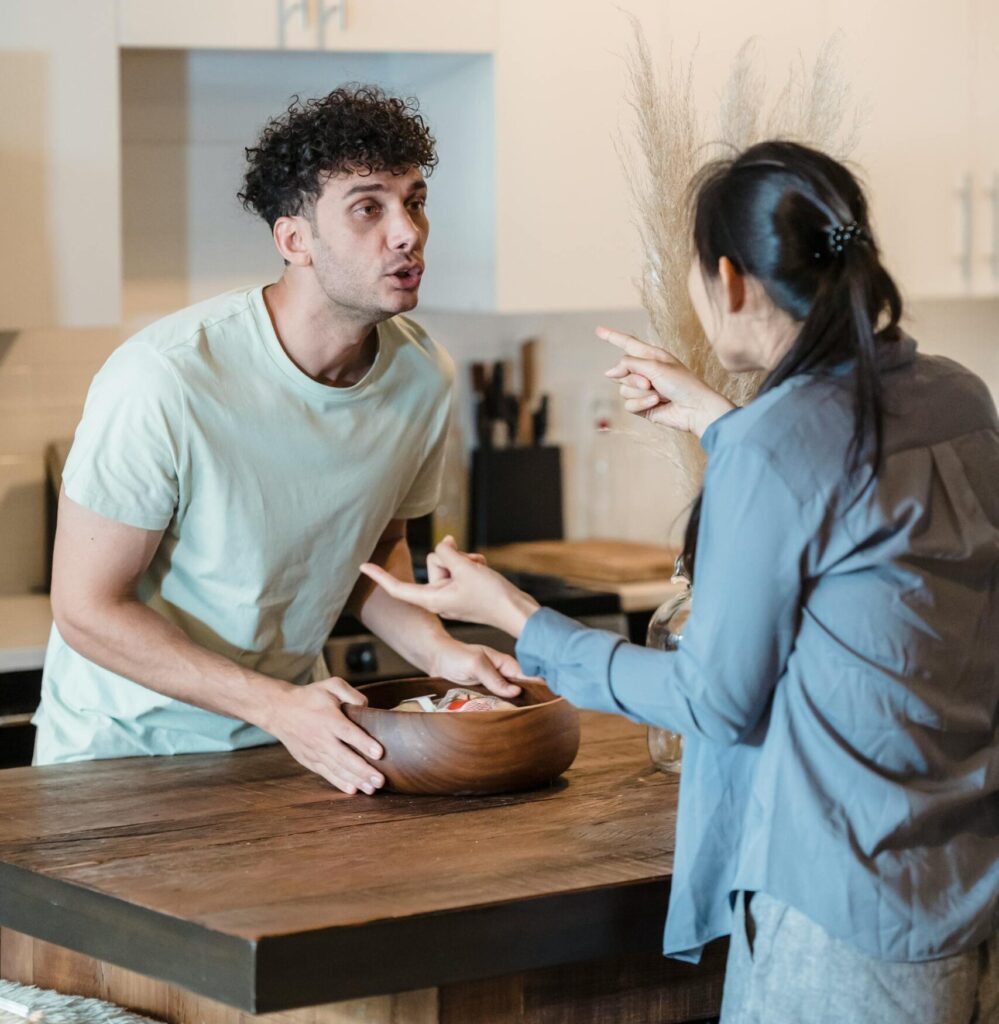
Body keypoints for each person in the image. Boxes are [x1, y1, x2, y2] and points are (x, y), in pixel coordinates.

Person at [360, 141, 999, 1022]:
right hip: (960, 884)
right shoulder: (958, 397)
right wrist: (720, 419)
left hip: (836, 910)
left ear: (730, 281)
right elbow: (852, 518)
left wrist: (514, 614)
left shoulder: (778, 447)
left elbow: (715, 701)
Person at [34, 85, 524, 795]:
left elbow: (367, 552)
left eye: (414, 200)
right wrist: (273, 705)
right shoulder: (165, 378)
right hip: (121, 758)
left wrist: (440, 651)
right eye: (368, 207)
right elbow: (86, 609)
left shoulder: (422, 375)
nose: (407, 232)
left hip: (291, 744)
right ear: (293, 239)